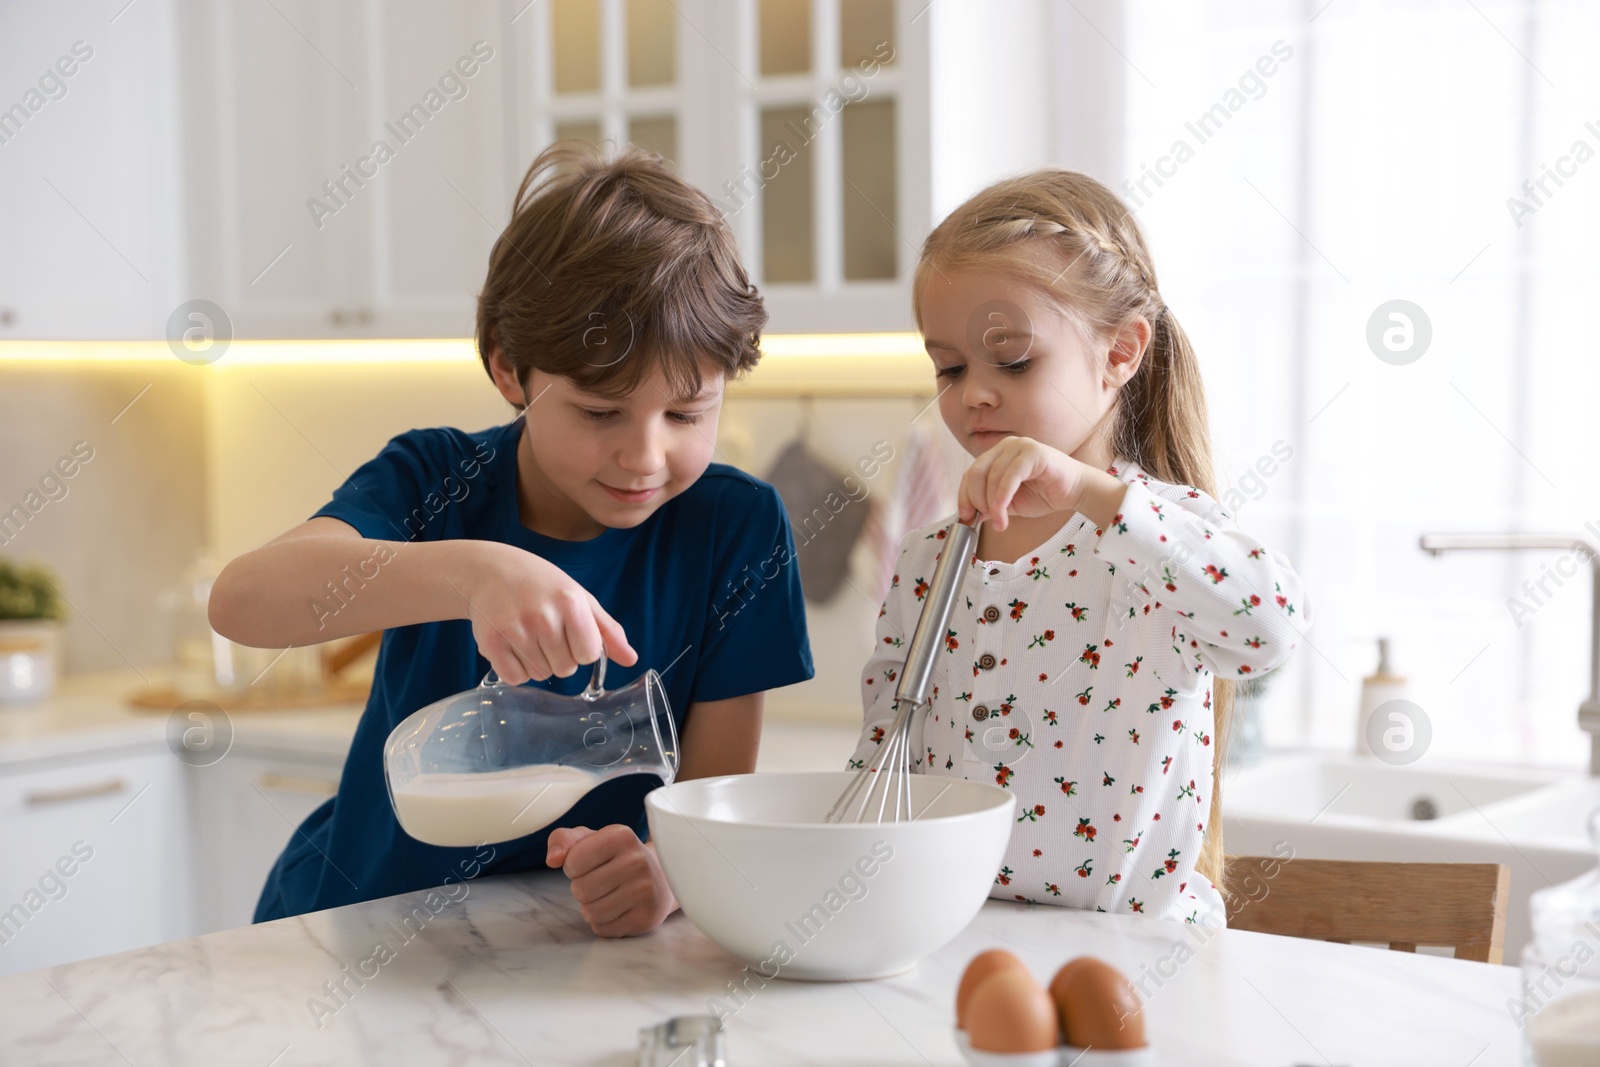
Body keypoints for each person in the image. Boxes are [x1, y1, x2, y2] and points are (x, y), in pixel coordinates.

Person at [210, 142, 813, 937]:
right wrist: (473, 573)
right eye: (601, 412)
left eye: (687, 413)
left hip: (560, 953)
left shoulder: (736, 527)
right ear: (509, 370)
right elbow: (243, 601)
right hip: (362, 924)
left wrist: (665, 876)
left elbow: (710, 807)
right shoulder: (438, 481)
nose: (644, 454)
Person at [849, 170, 1311, 925]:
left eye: (1015, 361)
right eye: (951, 367)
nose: (974, 395)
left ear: (1122, 351)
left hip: (1141, 963)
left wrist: (1089, 495)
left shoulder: (1159, 537)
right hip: (953, 944)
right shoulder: (930, 556)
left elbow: (1270, 627)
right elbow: (880, 760)